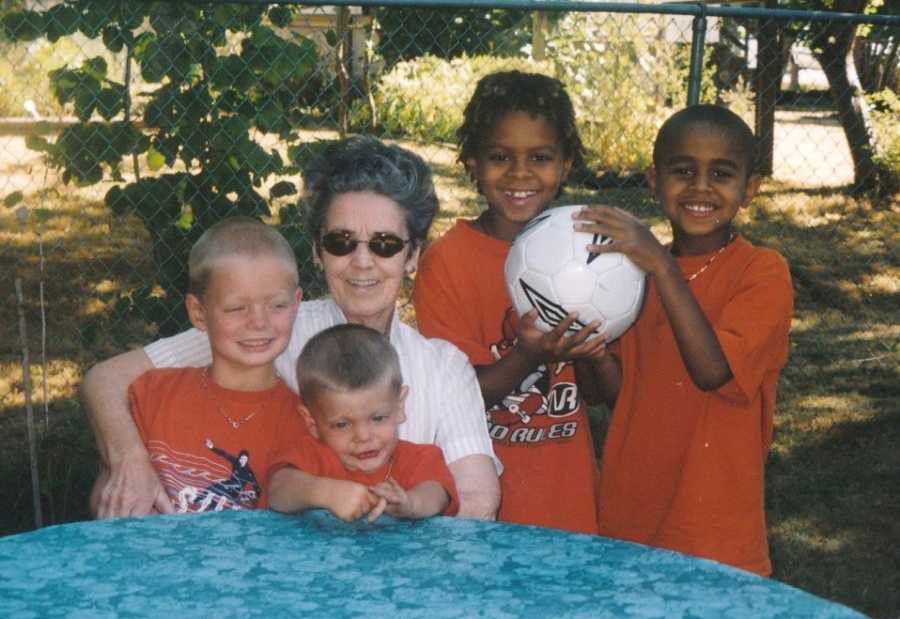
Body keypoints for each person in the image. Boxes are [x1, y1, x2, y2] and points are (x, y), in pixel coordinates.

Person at [82, 136, 500, 520]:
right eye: (341, 242)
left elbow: (478, 498)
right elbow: (106, 379)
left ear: (412, 256)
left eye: (385, 244)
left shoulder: (443, 367)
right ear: (318, 252)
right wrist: (129, 462)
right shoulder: (273, 327)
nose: (362, 262)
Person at [574, 105, 793, 575]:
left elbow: (713, 371)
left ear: (749, 188)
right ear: (654, 181)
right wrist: (584, 344)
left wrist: (660, 265)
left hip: (714, 528)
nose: (700, 187)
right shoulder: (629, 274)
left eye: (722, 173)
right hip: (629, 515)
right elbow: (606, 393)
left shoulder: (762, 272)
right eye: (682, 171)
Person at [412, 71, 606, 534]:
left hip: (568, 502)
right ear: (472, 163)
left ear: (566, 163)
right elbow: (457, 396)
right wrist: (527, 356)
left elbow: (602, 394)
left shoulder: (589, 253)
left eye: (540, 157)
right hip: (481, 505)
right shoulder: (448, 262)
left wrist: (589, 351)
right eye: (501, 157)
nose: (520, 174)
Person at [96, 217, 307, 513]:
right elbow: (106, 496)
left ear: (297, 304)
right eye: (236, 308)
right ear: (198, 312)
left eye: (278, 306)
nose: (259, 322)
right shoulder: (153, 394)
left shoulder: (304, 422)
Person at [268, 324, 458, 521]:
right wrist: (325, 493)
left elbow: (437, 494)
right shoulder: (312, 455)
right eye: (342, 424)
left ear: (399, 406)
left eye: (378, 418)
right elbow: (278, 490)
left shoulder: (420, 458)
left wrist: (410, 503)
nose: (363, 436)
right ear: (312, 423)